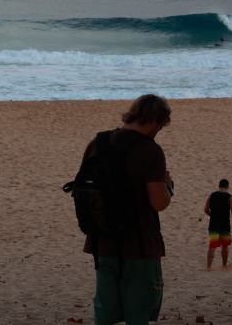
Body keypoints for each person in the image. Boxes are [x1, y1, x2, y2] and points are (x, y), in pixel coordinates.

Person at [80, 94, 174, 325]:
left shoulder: (97, 143)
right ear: (153, 119)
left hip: (102, 240)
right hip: (139, 244)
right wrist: (169, 187)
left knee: (105, 312)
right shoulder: (150, 151)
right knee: (138, 313)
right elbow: (158, 203)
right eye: (160, 126)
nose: (158, 130)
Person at [204, 179, 232, 271]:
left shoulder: (212, 196)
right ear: (227, 187)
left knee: (212, 245)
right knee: (225, 245)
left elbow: (206, 210)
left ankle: (208, 267)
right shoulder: (230, 197)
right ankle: (224, 265)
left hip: (213, 224)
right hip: (224, 225)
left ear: (219, 186)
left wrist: (213, 216)